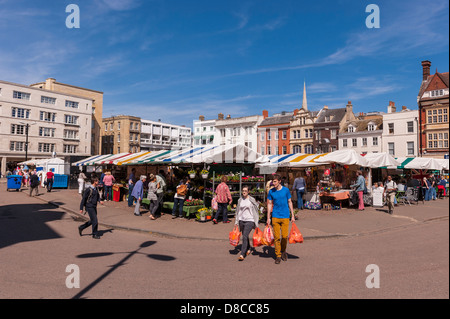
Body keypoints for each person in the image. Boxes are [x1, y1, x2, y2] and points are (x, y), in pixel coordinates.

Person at [267, 174, 295, 264]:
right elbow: (269, 204)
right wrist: (268, 217)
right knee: (276, 237)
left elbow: (290, 202)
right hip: (275, 216)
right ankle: (278, 255)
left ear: (279, 181)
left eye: (274, 181)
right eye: (272, 181)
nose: (273, 183)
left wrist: (293, 215)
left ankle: (283, 251)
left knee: (284, 236)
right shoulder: (271, 191)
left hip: (285, 216)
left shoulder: (286, 190)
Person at [234, 186, 260, 261]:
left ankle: (242, 253)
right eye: (243, 190)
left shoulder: (252, 199)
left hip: (250, 220)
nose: (244, 192)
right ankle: (249, 248)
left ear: (248, 192)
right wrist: (236, 222)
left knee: (245, 235)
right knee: (245, 236)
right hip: (241, 220)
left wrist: (256, 221)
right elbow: (238, 211)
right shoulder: (240, 200)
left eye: (245, 190)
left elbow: (256, 209)